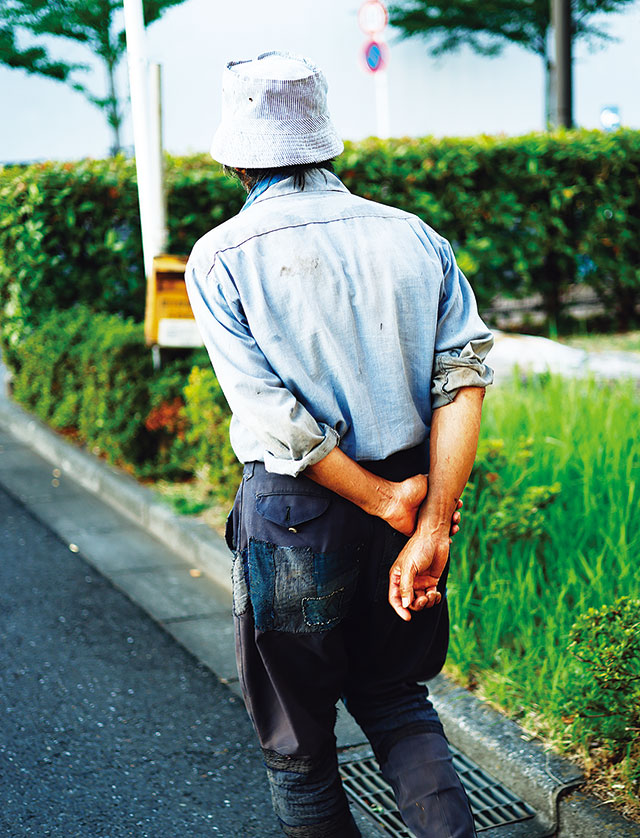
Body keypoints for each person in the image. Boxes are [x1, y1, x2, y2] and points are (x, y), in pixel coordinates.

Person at [185, 51, 493, 838]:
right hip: (409, 496)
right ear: (328, 142)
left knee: (300, 743)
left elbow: (274, 418)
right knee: (397, 701)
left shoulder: (221, 256)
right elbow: (463, 379)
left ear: (233, 156)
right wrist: (426, 520)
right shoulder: (415, 238)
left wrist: (390, 502)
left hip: (295, 515)